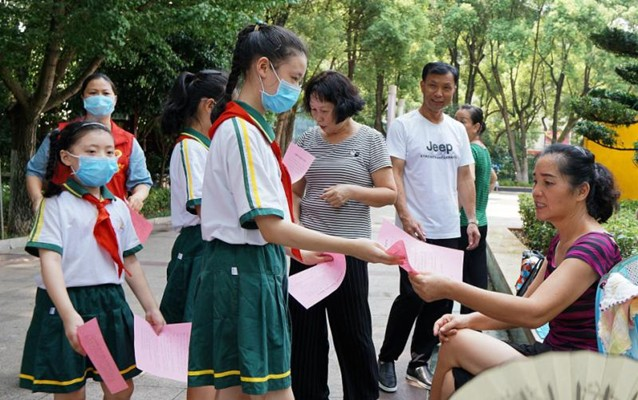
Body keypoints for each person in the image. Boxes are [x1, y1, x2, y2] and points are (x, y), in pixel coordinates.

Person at [186, 23, 401, 400]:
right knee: (271, 379)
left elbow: (271, 219)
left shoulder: (258, 129)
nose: (299, 95)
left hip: (263, 264)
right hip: (247, 270)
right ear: (264, 68)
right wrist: (352, 247)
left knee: (250, 385)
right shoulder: (244, 132)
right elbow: (273, 221)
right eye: (294, 79)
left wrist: (296, 247)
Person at [408, 143, 622, 400]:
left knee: (458, 343)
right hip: (551, 355)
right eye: (535, 182)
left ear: (581, 191)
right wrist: (465, 319)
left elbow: (535, 314)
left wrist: (450, 288)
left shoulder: (595, 245)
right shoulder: (563, 240)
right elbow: (523, 305)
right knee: (453, 377)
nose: (536, 192)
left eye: (548, 183)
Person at [19, 121, 165, 399]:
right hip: (68, 304)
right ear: (66, 157)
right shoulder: (54, 205)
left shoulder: (119, 207)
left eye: (110, 152)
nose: (103, 158)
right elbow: (49, 261)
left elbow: (130, 262)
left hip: (108, 305)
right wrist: (68, 314)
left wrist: (151, 308)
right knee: (71, 389)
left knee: (118, 384)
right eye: (92, 151)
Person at [289, 70, 397, 400]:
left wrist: (352, 190)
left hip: (350, 254)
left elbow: (389, 193)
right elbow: (292, 192)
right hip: (307, 253)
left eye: (325, 111)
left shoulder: (370, 139)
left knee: (354, 335)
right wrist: (295, 240)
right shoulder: (305, 140)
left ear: (343, 105)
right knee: (306, 338)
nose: (318, 118)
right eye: (313, 110)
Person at [377, 61, 480, 393]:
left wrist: (472, 218)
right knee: (410, 297)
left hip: (449, 228)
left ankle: (418, 361)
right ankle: (386, 359)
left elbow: (465, 176)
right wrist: (405, 215)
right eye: (433, 85)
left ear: (453, 90)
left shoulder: (456, 130)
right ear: (422, 85)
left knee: (441, 301)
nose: (439, 93)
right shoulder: (404, 126)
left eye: (446, 87)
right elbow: (394, 172)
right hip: (413, 229)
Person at [26, 72, 152, 212]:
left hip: (111, 220)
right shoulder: (60, 135)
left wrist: (138, 197)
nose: (99, 98)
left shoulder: (128, 142)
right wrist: (37, 201)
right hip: (65, 218)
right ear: (83, 98)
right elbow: (34, 171)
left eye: (105, 93)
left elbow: (141, 181)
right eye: (93, 93)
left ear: (115, 99)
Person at [158, 69, 227, 324]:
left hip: (208, 244)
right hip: (197, 246)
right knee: (191, 327)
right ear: (210, 105)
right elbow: (201, 207)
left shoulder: (205, 146)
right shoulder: (189, 148)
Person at [454, 105, 497, 313]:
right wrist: (481, 200)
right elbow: (492, 178)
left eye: (463, 121)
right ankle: (475, 328)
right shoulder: (483, 149)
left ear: (476, 126)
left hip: (465, 224)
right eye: (455, 119)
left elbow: (467, 179)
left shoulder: (470, 149)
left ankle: (468, 330)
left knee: (465, 281)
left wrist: (455, 211)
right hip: (482, 221)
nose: (456, 125)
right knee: (477, 277)